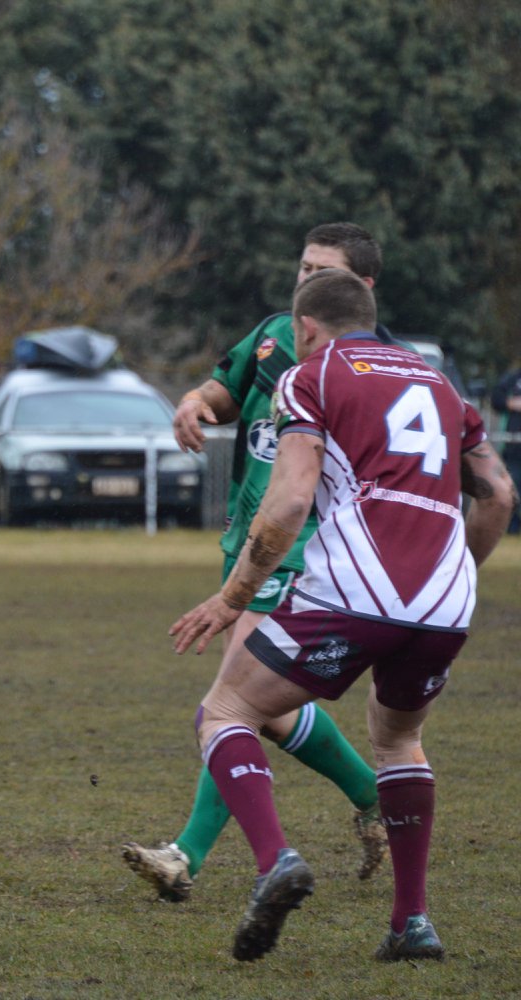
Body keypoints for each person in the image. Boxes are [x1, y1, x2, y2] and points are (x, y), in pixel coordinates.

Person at [169, 268, 515, 962]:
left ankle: (274, 861)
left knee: (228, 709)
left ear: (303, 328)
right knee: (399, 741)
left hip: (357, 588)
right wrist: (456, 577)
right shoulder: (439, 383)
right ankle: (411, 923)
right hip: (445, 599)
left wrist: (232, 598)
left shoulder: (311, 374)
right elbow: (499, 494)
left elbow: (292, 498)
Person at [123, 223, 393, 901]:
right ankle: (371, 795)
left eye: (322, 270)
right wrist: (192, 405)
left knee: (230, 704)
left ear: (360, 288)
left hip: (304, 554)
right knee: (266, 712)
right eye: (302, 266)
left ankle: (188, 855)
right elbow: (223, 391)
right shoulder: (275, 336)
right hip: (246, 544)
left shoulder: (370, 367)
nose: (306, 280)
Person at [490, 360, 521, 534]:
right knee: (512, 491)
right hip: (514, 447)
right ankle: (511, 530)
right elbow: (496, 399)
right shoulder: (514, 378)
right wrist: (512, 403)